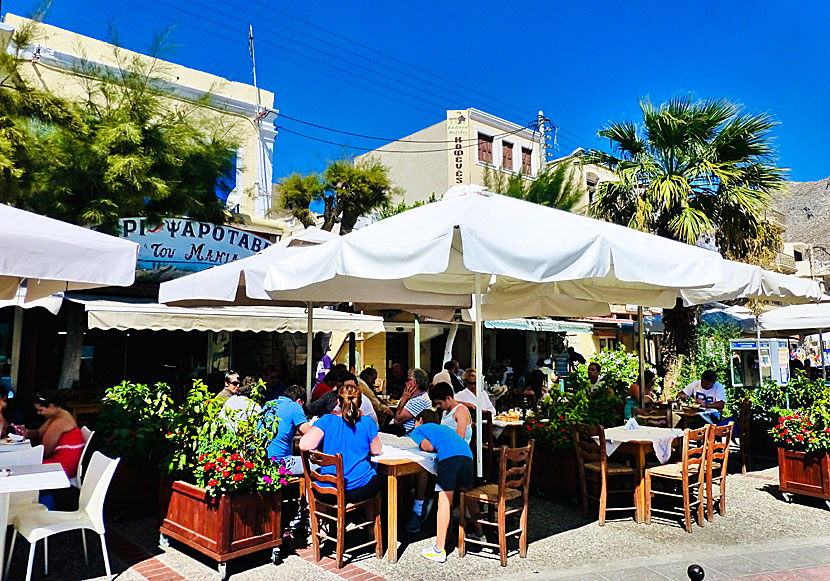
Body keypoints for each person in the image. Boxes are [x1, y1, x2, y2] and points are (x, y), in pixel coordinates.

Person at [409, 409, 481, 563]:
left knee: (444, 502)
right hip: (467, 456)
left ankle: (439, 549)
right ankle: (479, 533)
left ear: (419, 420)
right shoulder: (444, 429)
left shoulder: (418, 430)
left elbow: (427, 447)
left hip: (449, 458)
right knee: (467, 494)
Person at [299, 383, 382, 504]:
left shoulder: (327, 420)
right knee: (378, 481)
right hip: (358, 487)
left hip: (328, 488)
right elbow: (376, 449)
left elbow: (304, 445)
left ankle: (323, 520)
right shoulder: (367, 422)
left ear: (338, 402)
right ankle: (371, 520)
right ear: (360, 403)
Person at [21, 390, 84, 478]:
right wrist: (26, 432)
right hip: (63, 463)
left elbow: (44, 452)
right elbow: (39, 433)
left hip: (63, 467)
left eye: (40, 410)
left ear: (51, 406)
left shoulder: (60, 422)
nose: (38, 413)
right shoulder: (59, 414)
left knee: (22, 469)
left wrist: (23, 457)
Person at [261, 384, 311, 475]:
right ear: (299, 401)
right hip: (281, 462)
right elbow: (309, 433)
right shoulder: (295, 406)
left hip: (262, 460)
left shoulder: (269, 404)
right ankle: (310, 489)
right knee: (318, 466)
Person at [308, 372, 379, 425]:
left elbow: (350, 417)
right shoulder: (330, 395)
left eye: (352, 388)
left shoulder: (362, 400)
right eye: (346, 388)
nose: (349, 391)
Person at [391, 368, 432, 435]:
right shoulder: (418, 397)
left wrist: (404, 398)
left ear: (414, 383)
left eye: (408, 380)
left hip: (403, 435)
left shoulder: (419, 400)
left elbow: (397, 421)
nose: (406, 383)